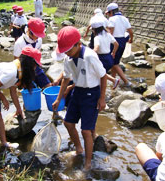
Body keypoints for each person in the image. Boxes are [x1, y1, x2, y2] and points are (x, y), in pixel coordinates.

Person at [52, 26, 107, 170]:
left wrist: (102, 98)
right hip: (78, 92)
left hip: (91, 93)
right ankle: (78, 149)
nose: (67, 53)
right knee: (68, 123)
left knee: (86, 131)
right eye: (65, 50)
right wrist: (58, 98)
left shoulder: (90, 56)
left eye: (69, 49)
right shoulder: (68, 58)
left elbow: (103, 75)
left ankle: (88, 163)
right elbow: (66, 78)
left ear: (78, 44)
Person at [14, 17, 51, 89]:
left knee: (48, 86)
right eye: (36, 34)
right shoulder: (19, 43)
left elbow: (38, 55)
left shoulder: (39, 40)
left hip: (36, 67)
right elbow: (17, 62)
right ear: (29, 30)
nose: (38, 37)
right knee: (31, 89)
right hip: (25, 70)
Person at [106, 3, 133, 87]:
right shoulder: (124, 18)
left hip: (115, 42)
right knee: (116, 61)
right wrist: (131, 39)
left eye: (108, 13)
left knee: (114, 63)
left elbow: (111, 32)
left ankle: (126, 81)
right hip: (122, 41)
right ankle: (114, 80)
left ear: (111, 12)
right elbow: (130, 31)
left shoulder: (112, 19)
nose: (108, 15)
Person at [90, 16, 120, 89]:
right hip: (109, 58)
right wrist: (113, 53)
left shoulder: (97, 38)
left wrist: (89, 53)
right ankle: (113, 80)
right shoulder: (108, 35)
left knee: (99, 74)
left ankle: (101, 91)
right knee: (101, 73)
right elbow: (116, 44)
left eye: (93, 30)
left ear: (95, 30)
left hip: (102, 59)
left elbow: (96, 48)